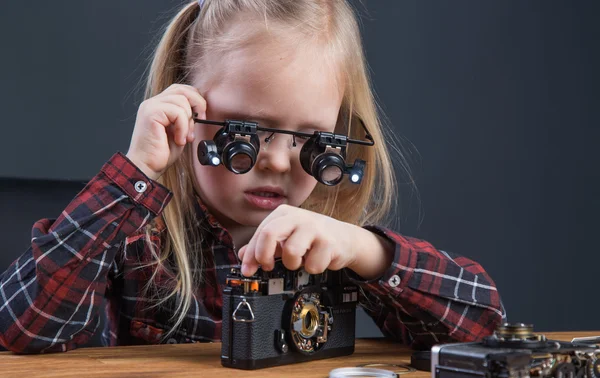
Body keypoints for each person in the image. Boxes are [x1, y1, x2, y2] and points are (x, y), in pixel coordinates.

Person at [0, 0, 505, 354]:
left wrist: (367, 252)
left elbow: (485, 329)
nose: (280, 161)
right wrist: (134, 173)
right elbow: (23, 329)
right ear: (185, 110)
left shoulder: (330, 250)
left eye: (311, 138)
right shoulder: (132, 240)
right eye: (245, 133)